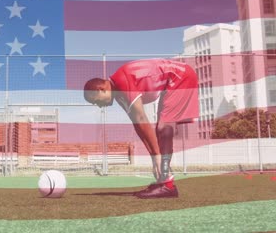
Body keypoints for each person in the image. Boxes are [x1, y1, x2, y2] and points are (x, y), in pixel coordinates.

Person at [83, 59, 199, 199]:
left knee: (164, 128)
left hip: (181, 76)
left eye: (96, 101)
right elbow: (138, 124)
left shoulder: (122, 81)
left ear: (102, 89)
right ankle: (164, 182)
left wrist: (156, 156)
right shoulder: (119, 95)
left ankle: (167, 186)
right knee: (160, 130)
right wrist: (153, 155)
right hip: (172, 81)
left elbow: (142, 118)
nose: (99, 106)